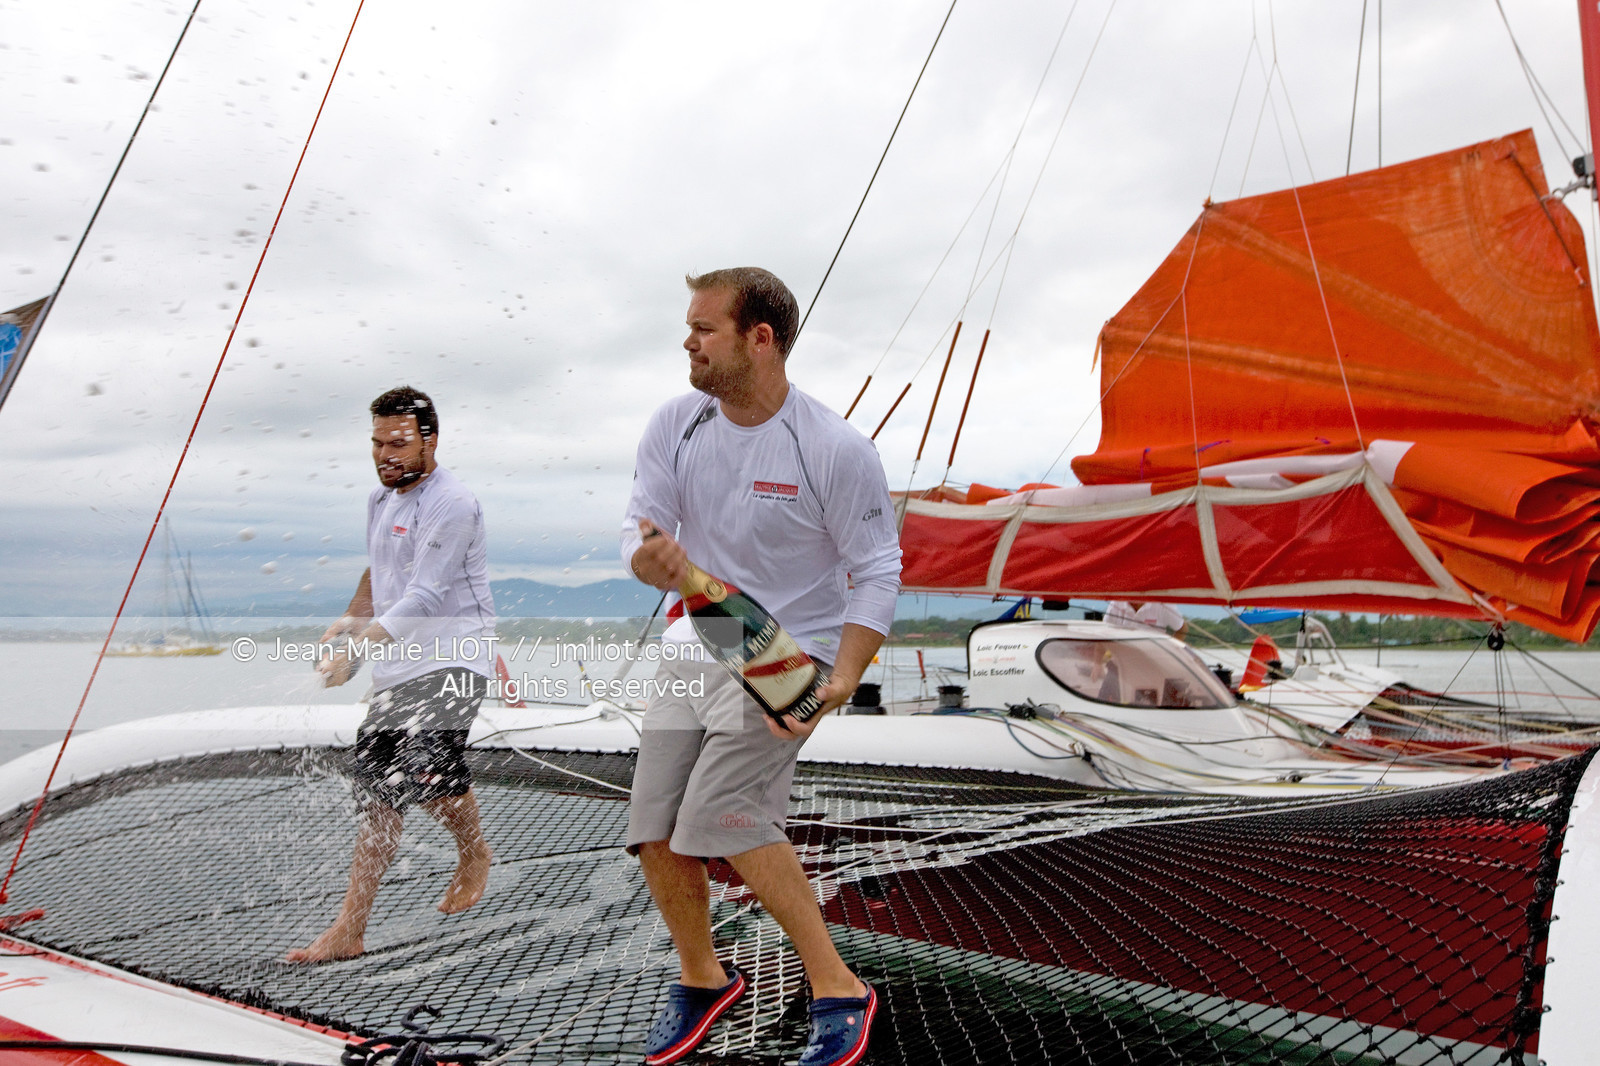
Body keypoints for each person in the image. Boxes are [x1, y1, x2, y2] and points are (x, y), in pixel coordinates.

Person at [622, 267, 900, 1066]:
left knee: (724, 811)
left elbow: (877, 570)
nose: (688, 341)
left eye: (704, 328)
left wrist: (841, 678)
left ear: (761, 339)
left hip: (785, 650)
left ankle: (838, 987)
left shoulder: (833, 448)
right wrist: (649, 560)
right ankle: (703, 977)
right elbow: (641, 537)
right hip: (698, 636)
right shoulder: (676, 424)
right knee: (653, 827)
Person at [286, 386, 496, 963]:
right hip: (399, 667)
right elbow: (379, 572)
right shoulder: (380, 500)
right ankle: (349, 930)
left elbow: (425, 597)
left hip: (454, 657)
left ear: (431, 440)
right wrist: (353, 618)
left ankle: (474, 853)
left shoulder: (453, 502)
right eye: (377, 443)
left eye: (398, 443)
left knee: (426, 768)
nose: (385, 455)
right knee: (378, 792)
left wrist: (354, 655)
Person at [1106, 599, 1189, 641]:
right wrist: (1099, 662)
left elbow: (1182, 628)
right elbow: (1105, 633)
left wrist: (1170, 651)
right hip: (1123, 658)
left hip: (1154, 658)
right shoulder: (1116, 603)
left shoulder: (1163, 604)